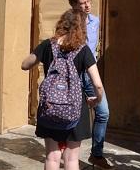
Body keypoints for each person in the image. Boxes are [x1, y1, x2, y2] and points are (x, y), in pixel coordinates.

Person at [21, 9, 104, 170]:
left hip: (50, 108)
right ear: (80, 28)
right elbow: (98, 84)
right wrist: (97, 99)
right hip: (75, 109)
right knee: (71, 160)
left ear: (61, 24)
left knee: (52, 157)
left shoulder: (47, 45)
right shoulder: (83, 49)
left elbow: (25, 65)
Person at [68, 0, 113, 169]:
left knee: (103, 112)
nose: (87, 5)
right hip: (73, 74)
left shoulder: (95, 21)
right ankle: (68, 153)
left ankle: (96, 154)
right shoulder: (69, 24)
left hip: (90, 74)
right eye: (82, 3)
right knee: (70, 115)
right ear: (74, 5)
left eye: (88, 2)